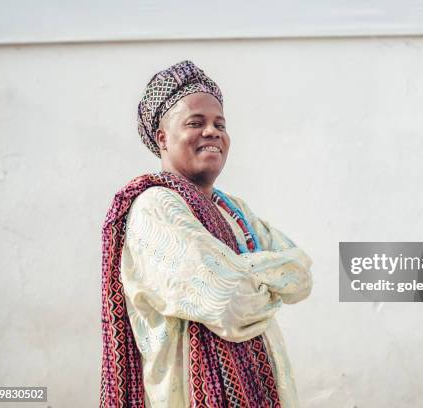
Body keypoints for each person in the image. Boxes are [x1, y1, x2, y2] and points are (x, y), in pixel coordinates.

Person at [100, 60, 313, 408]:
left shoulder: (234, 210)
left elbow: (301, 274)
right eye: (195, 123)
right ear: (162, 138)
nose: (212, 131)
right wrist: (264, 277)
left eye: (220, 124)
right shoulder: (155, 208)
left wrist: (238, 270)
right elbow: (229, 301)